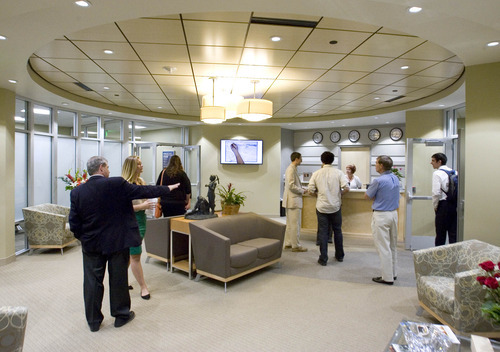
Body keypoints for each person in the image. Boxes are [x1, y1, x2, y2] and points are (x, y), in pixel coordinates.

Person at [69, 156, 179, 332]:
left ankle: (93, 321)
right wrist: (167, 188)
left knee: (92, 282)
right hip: (117, 241)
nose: (110, 170)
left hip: (92, 245)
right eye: (108, 167)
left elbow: (74, 223)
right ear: (102, 168)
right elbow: (144, 191)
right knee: (118, 279)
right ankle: (121, 315)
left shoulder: (77, 192)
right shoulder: (116, 184)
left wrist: (85, 238)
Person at [308, 152, 349, 266]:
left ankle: (323, 258)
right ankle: (339, 255)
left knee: (323, 232)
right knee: (337, 231)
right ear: (333, 160)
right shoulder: (339, 173)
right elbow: (346, 188)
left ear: (322, 161)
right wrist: (338, 194)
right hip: (335, 206)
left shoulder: (316, 173)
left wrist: (318, 195)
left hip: (321, 207)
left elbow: (310, 191)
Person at [364, 155, 400, 285]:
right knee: (392, 245)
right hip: (393, 214)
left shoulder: (378, 181)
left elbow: (367, 196)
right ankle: (393, 273)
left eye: (376, 163)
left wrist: (376, 197)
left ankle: (387, 277)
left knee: (383, 246)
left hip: (381, 216)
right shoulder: (395, 178)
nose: (375, 165)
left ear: (381, 165)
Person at [121, 156, 153, 300]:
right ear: (132, 167)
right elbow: (123, 208)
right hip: (130, 222)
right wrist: (142, 206)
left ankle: (121, 280)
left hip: (141, 220)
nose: (142, 166)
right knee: (135, 255)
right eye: (139, 164)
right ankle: (143, 287)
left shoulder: (140, 182)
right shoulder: (123, 185)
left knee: (131, 254)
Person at [283, 152, 308, 252]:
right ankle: (296, 246)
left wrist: (302, 188)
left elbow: (293, 184)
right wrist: (302, 191)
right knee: (295, 224)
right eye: (301, 158)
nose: (301, 160)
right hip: (293, 201)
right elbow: (291, 186)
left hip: (291, 201)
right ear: (296, 159)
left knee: (290, 224)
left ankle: (289, 243)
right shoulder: (291, 169)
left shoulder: (292, 169)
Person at [431, 152, 457, 246]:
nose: (431, 163)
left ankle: (439, 257)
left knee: (440, 234)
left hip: (443, 205)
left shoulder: (437, 173)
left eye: (433, 160)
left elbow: (436, 193)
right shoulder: (454, 172)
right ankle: (454, 257)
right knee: (453, 234)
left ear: (439, 162)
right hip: (454, 205)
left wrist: (435, 206)